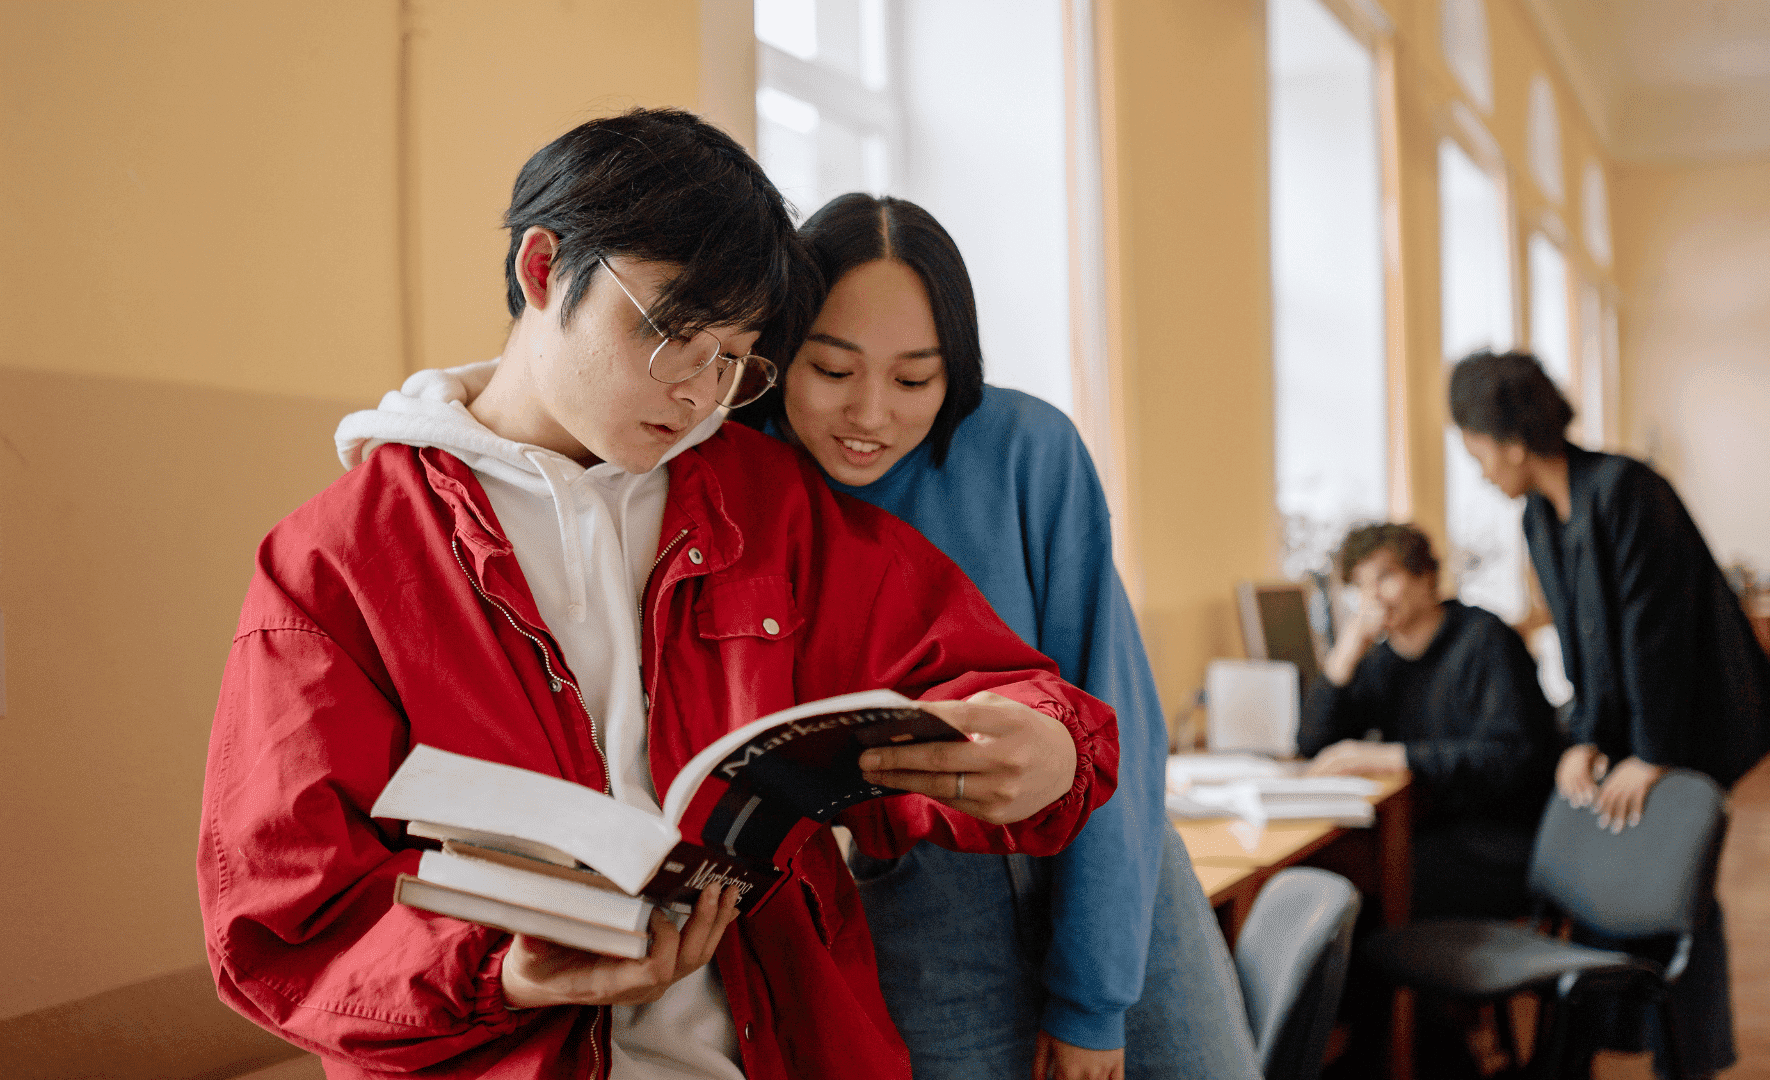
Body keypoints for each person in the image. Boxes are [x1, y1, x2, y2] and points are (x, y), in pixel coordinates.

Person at [196, 109, 1120, 1080]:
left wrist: (1047, 738)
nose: (697, 391)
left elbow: (976, 669)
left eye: (734, 358)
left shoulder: (761, 504)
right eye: (672, 331)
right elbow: (283, 926)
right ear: (544, 269)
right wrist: (504, 973)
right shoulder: (337, 562)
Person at [737, 192, 1259, 1080]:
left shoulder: (1026, 450)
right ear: (781, 348)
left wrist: (1093, 997)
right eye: (831, 369)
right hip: (913, 900)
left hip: (1110, 875)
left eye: (913, 380)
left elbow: (1115, 711)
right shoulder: (746, 482)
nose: (871, 414)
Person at [1449, 349, 1770, 1079]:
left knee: (1676, 888)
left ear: (1511, 442)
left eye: (1476, 450)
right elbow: (1588, 648)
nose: (1479, 469)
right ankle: (1611, 1041)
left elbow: (1655, 633)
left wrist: (1652, 751)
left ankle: (1688, 1058)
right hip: (1638, 723)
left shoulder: (1628, 490)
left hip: (1691, 720)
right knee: (1620, 875)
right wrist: (1584, 740)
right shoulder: (1541, 517)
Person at [1300, 522, 1560, 920]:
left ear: (1425, 576)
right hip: (1426, 833)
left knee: (1355, 893)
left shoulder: (1486, 640)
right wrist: (1344, 656)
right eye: (1360, 585)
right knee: (1323, 878)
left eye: (1385, 577)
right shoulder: (1382, 662)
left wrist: (1395, 758)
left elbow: (1512, 758)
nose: (1373, 597)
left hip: (1500, 842)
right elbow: (1313, 745)